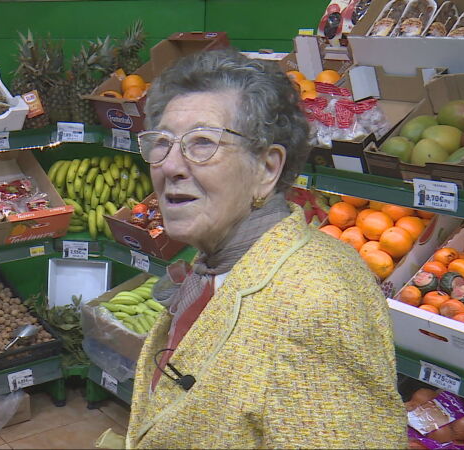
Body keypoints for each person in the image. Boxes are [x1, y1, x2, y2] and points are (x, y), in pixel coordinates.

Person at [113, 49, 406, 449]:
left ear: (267, 169)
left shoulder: (320, 301)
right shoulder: (219, 260)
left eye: (202, 143)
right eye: (162, 143)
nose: (170, 166)